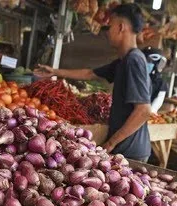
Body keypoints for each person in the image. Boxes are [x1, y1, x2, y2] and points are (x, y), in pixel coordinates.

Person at [34, 3, 152, 162]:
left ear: (121, 27)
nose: (107, 32)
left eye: (109, 26)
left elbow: (144, 111)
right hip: (127, 148)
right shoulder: (124, 61)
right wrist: (54, 72)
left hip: (131, 151)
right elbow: (90, 73)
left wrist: (111, 143)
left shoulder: (134, 60)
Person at [142, 47, 168, 114]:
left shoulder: (160, 83)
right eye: (148, 61)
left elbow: (158, 101)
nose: (149, 64)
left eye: (151, 62)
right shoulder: (134, 76)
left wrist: (151, 112)